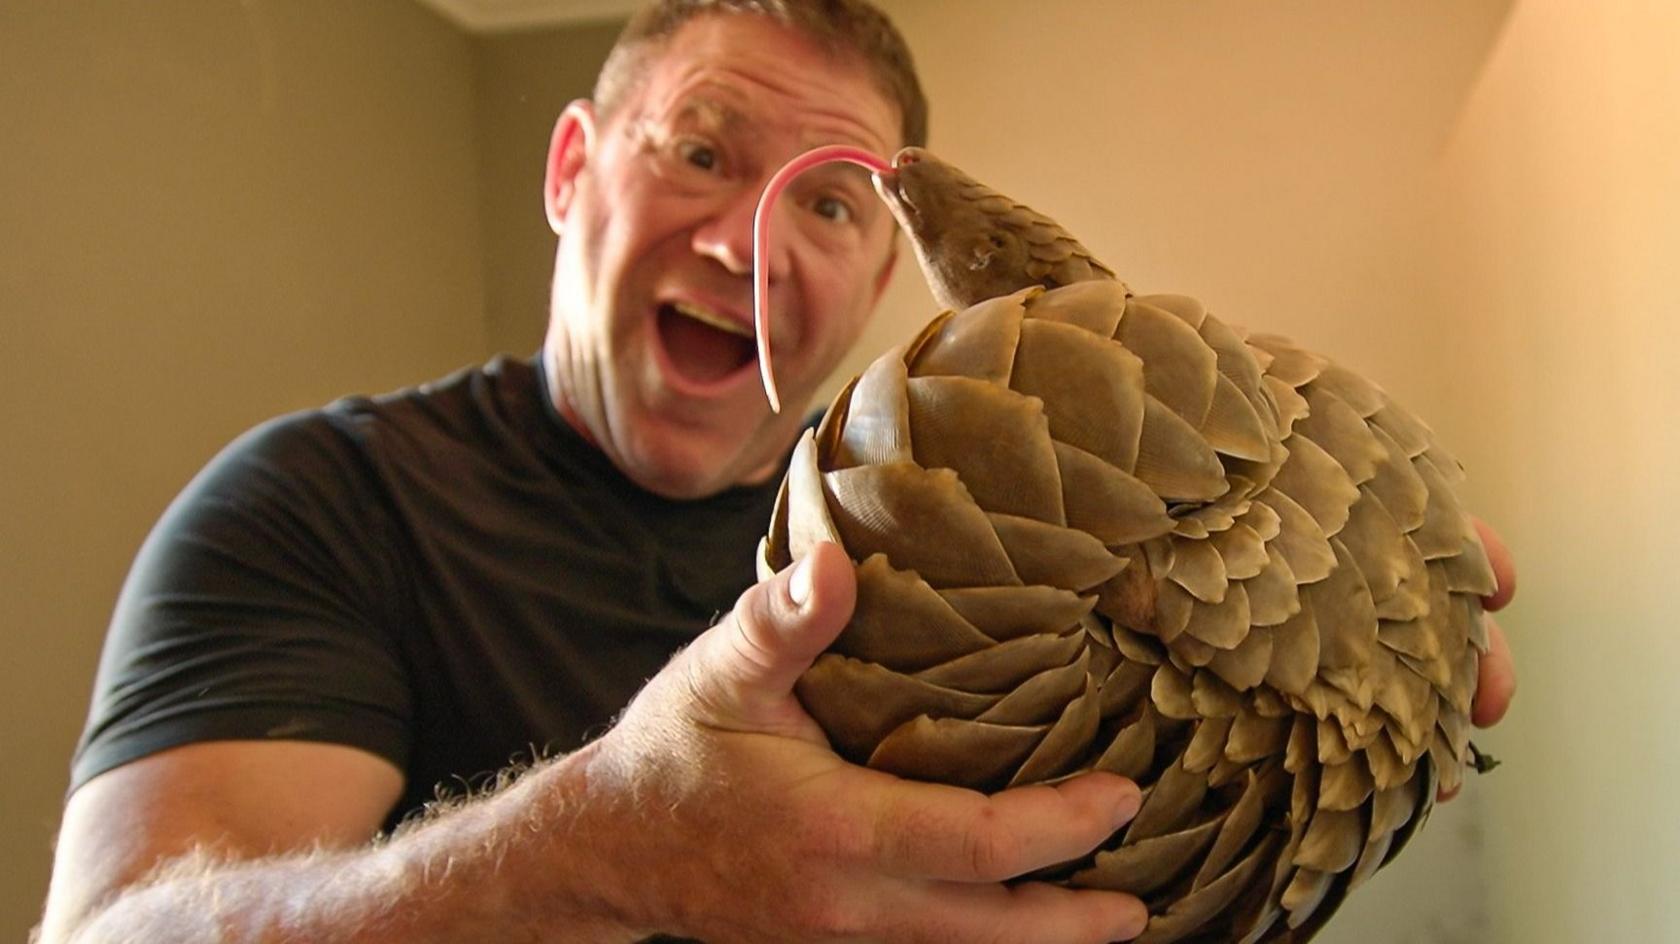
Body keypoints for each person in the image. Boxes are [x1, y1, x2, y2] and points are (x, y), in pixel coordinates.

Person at [36, 2, 1518, 942]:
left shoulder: (1045, 533)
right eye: (696, 151)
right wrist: (598, 851)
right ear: (569, 173)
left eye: (827, 204)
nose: (749, 243)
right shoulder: (313, 507)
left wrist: (1321, 721)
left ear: (886, 267)